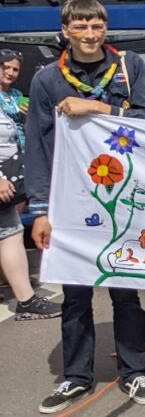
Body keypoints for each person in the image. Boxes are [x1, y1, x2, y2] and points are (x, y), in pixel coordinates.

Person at [26, 0, 145, 412]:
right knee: (75, 295)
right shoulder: (47, 80)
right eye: (80, 26)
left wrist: (100, 107)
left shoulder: (129, 67)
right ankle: (76, 377)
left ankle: (134, 371)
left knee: (125, 289)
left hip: (121, 199)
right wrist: (39, 209)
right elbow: (38, 145)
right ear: (66, 30)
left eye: (96, 26)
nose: (89, 34)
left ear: (106, 28)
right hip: (70, 201)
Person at [0, 48, 59, 320]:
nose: (10, 73)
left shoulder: (14, 98)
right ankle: (25, 300)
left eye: (14, 69)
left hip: (13, 172)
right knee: (10, 234)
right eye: (5, 67)